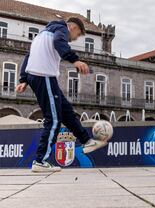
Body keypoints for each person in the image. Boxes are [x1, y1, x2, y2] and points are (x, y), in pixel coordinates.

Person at [16, 17, 107, 172]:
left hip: (38, 75)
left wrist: (23, 79)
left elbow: (28, 56)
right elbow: (59, 42)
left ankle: (87, 141)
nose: (75, 38)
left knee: (65, 111)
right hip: (43, 75)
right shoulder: (61, 29)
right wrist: (75, 61)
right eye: (77, 34)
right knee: (54, 119)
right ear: (72, 27)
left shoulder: (42, 34)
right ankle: (40, 161)